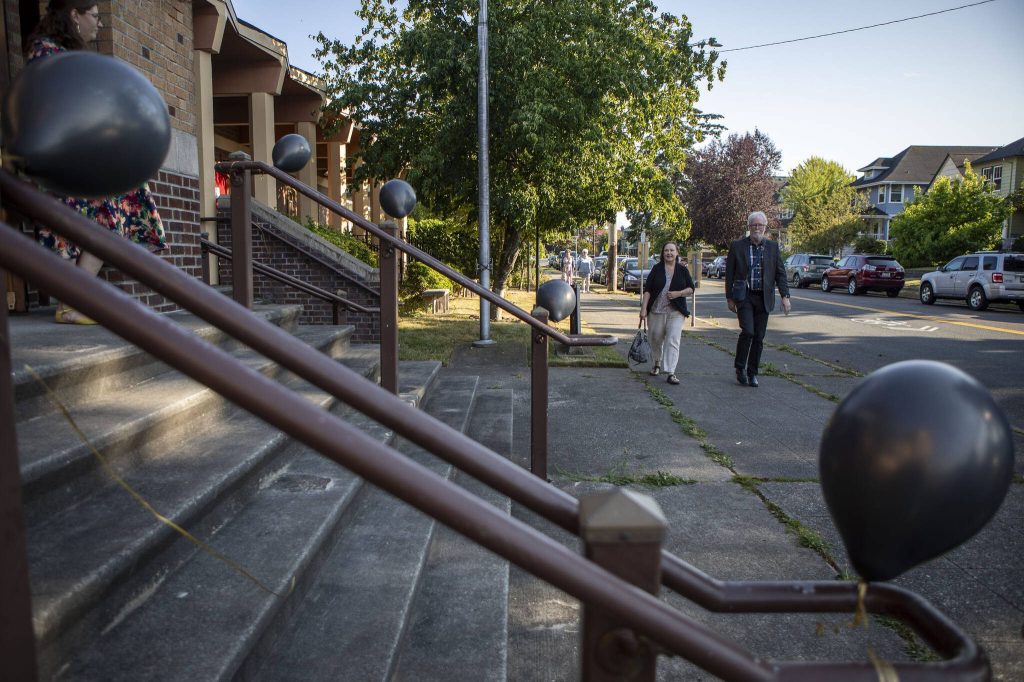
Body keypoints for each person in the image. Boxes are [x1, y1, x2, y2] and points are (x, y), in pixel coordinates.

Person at [26, 0, 167, 324]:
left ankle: (75, 301)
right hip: (60, 159)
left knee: (118, 203)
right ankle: (71, 303)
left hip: (78, 158)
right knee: (106, 212)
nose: (99, 25)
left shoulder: (63, 54)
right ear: (74, 15)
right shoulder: (46, 53)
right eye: (95, 17)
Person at [725, 212, 791, 387]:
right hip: (744, 296)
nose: (757, 228)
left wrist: (785, 296)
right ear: (749, 227)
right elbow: (729, 275)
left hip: (764, 297)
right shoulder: (737, 246)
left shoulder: (772, 247)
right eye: (753, 225)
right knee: (748, 331)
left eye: (760, 225)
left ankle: (752, 372)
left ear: (765, 227)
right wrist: (729, 298)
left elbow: (780, 274)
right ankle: (740, 368)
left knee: (759, 337)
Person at [639, 242, 694, 385]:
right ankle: (657, 363)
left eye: (672, 250)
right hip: (656, 311)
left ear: (676, 253)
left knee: (673, 340)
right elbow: (648, 290)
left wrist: (678, 293)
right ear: (663, 253)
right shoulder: (656, 269)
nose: (669, 253)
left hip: (676, 312)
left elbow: (691, 289)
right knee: (655, 339)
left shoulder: (682, 270)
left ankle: (671, 372)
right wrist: (644, 309)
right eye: (666, 250)